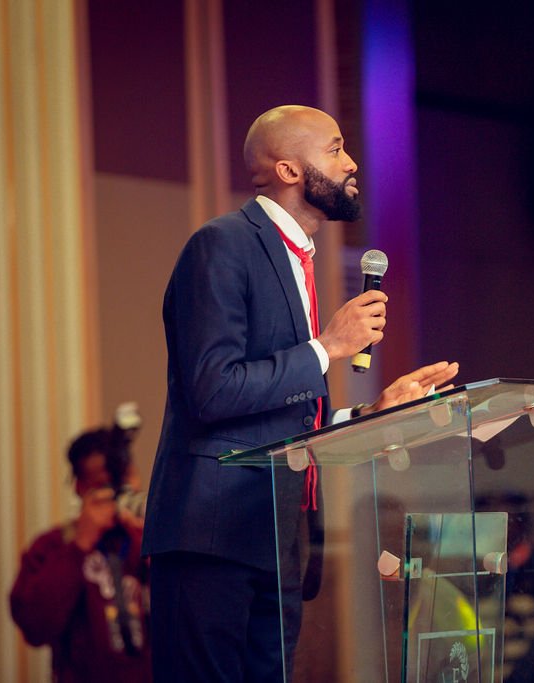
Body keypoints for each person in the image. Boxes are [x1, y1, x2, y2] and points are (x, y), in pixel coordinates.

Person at [141, 104, 458, 682]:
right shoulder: (222, 245)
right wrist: (328, 347)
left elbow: (278, 414)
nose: (352, 162)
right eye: (335, 149)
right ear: (288, 170)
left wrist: (371, 412)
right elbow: (212, 390)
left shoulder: (299, 261)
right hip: (213, 538)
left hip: (280, 540)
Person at [10, 416, 151, 683]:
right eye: (101, 485)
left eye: (121, 484)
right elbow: (34, 626)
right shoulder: (52, 545)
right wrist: (79, 545)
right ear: (79, 486)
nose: (114, 495)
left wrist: (154, 545)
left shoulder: (143, 540)